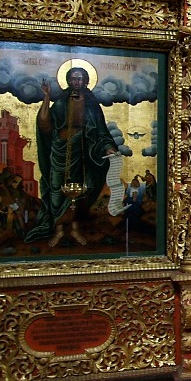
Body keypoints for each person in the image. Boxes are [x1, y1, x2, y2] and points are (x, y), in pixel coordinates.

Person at [25, 66, 118, 247]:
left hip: (83, 154)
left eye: (80, 78)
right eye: (73, 79)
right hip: (59, 151)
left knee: (81, 190)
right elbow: (45, 125)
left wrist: (107, 147)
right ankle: (58, 231)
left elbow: (101, 131)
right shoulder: (60, 103)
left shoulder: (92, 105)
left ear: (86, 81)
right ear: (68, 81)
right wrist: (46, 97)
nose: (77, 82)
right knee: (57, 193)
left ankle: (75, 229)